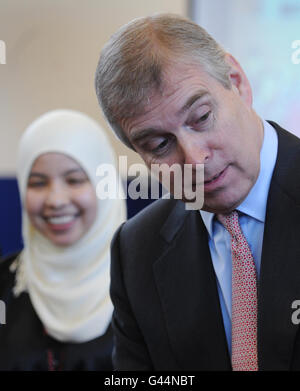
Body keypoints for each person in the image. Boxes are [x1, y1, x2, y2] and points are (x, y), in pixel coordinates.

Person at [94, 13, 300, 371]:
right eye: (159, 145)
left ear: (237, 83)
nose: (195, 158)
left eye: (202, 117)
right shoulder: (136, 251)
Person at [0, 109, 126, 370]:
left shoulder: (146, 285)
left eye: (74, 180)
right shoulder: (4, 284)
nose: (55, 200)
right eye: (37, 183)